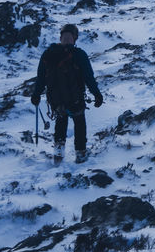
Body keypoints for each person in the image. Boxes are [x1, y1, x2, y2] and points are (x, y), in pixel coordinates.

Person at [31, 23, 103, 163]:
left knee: (60, 121)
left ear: (61, 37)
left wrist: (36, 94)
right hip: (76, 98)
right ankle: (80, 153)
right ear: (75, 38)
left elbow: (41, 77)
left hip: (56, 100)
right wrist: (97, 94)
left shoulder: (49, 53)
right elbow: (89, 77)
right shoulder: (79, 54)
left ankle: (58, 153)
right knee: (79, 123)